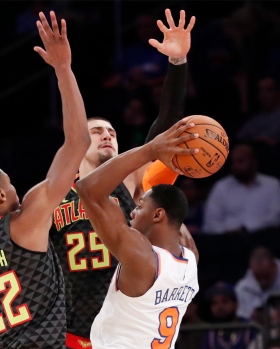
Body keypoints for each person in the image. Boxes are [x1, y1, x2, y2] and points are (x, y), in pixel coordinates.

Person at [49, 9, 196, 347]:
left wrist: (178, 62)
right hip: (72, 331)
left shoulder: (132, 181)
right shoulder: (52, 192)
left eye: (112, 132)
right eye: (97, 131)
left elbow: (168, 123)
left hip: (127, 325)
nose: (107, 136)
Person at [0, 11, 90, 348]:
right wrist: (64, 69)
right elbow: (79, 142)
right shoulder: (26, 222)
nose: (14, 187)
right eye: (8, 182)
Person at [76, 119, 200, 348]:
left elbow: (87, 190)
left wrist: (150, 150)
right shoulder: (191, 257)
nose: (132, 211)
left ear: (158, 215)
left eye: (140, 206)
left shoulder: (141, 258)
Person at [234, 247, 280, 321]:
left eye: (266, 276)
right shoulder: (242, 287)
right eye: (258, 277)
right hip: (252, 329)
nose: (262, 281)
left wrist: (269, 317)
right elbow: (241, 315)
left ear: (274, 266)